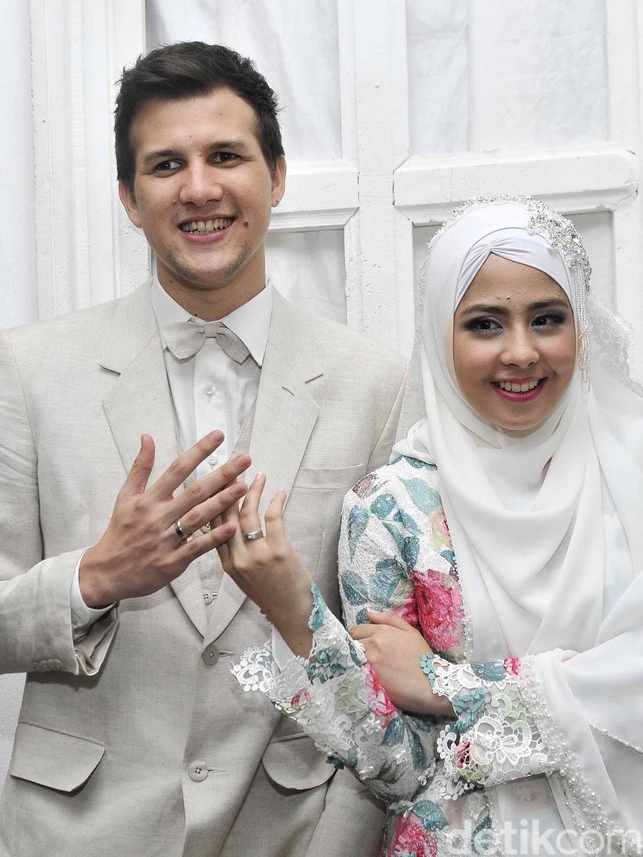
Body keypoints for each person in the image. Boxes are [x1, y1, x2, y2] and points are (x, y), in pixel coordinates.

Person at [0, 42, 406, 856]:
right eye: (165, 164)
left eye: (225, 155)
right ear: (128, 197)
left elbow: (389, 658)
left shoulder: (376, 382)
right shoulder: (29, 367)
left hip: (291, 833)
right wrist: (93, 578)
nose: (199, 188)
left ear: (276, 176)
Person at [218, 196, 643, 856]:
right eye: (484, 324)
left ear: (581, 325)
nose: (521, 351)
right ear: (441, 339)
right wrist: (298, 615)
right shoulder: (393, 507)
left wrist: (444, 686)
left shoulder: (631, 476)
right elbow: (402, 768)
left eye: (547, 318)